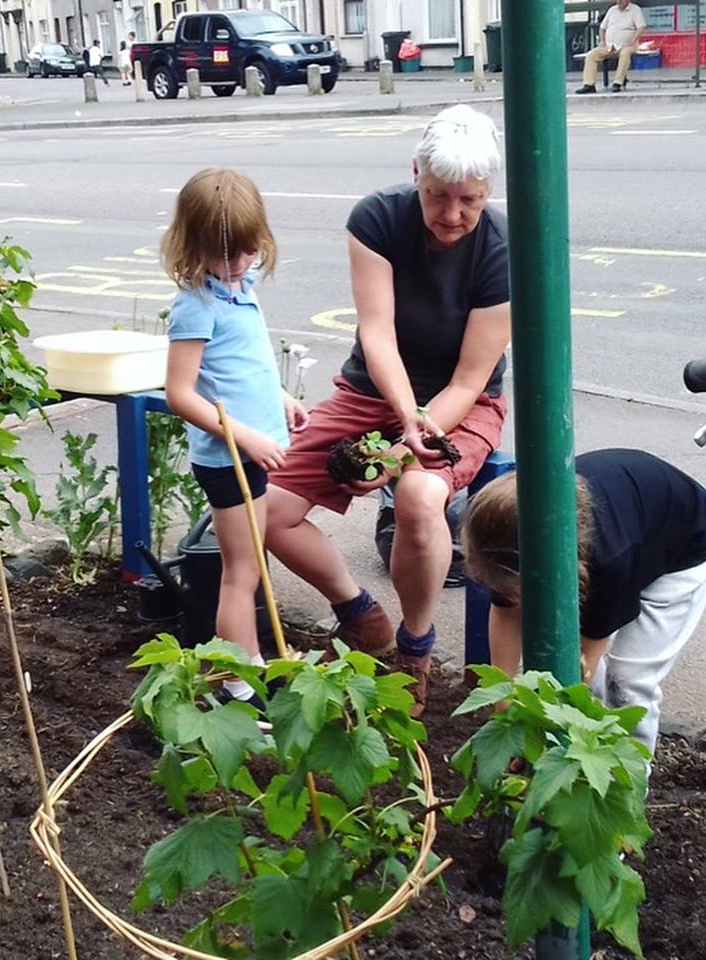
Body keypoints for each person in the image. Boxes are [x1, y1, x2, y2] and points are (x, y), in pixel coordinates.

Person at [266, 105, 511, 717]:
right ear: (415, 176)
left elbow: (469, 377)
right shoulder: (376, 219)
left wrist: (406, 449)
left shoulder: (506, 250)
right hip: (373, 387)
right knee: (266, 510)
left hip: (464, 401)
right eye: (437, 196)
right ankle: (359, 615)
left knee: (419, 498)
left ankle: (416, 646)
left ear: (488, 193)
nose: (452, 215)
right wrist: (404, 421)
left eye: (470, 201)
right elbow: (377, 334)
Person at [461, 449, 706, 754]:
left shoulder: (609, 560)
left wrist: (548, 739)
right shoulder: (503, 533)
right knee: (587, 676)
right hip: (632, 518)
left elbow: (582, 666)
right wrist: (504, 709)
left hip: (685, 548)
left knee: (627, 680)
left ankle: (628, 776)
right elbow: (506, 613)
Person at [162, 168, 308, 705]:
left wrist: (282, 401)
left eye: (248, 252)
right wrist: (245, 435)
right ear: (193, 245)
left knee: (250, 566)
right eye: (226, 256)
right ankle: (237, 681)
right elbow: (182, 392)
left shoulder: (237, 290)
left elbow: (241, 369)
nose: (239, 265)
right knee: (241, 572)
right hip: (230, 461)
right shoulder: (195, 307)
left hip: (252, 450)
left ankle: (243, 665)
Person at [575, 0, 646, 94]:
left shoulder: (635, 10)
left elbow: (641, 27)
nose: (619, 1)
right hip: (609, 45)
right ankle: (589, 85)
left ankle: (618, 82)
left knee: (625, 53)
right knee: (591, 55)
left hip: (628, 45)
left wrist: (632, 40)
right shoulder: (612, 10)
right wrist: (602, 41)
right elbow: (602, 28)